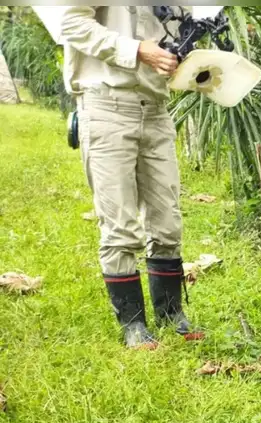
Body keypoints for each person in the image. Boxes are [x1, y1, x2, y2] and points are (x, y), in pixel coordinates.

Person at [60, 6, 202, 349]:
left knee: (167, 219)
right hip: (106, 104)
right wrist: (137, 49)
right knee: (120, 223)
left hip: (156, 109)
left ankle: (171, 314)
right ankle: (133, 324)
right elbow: (72, 23)